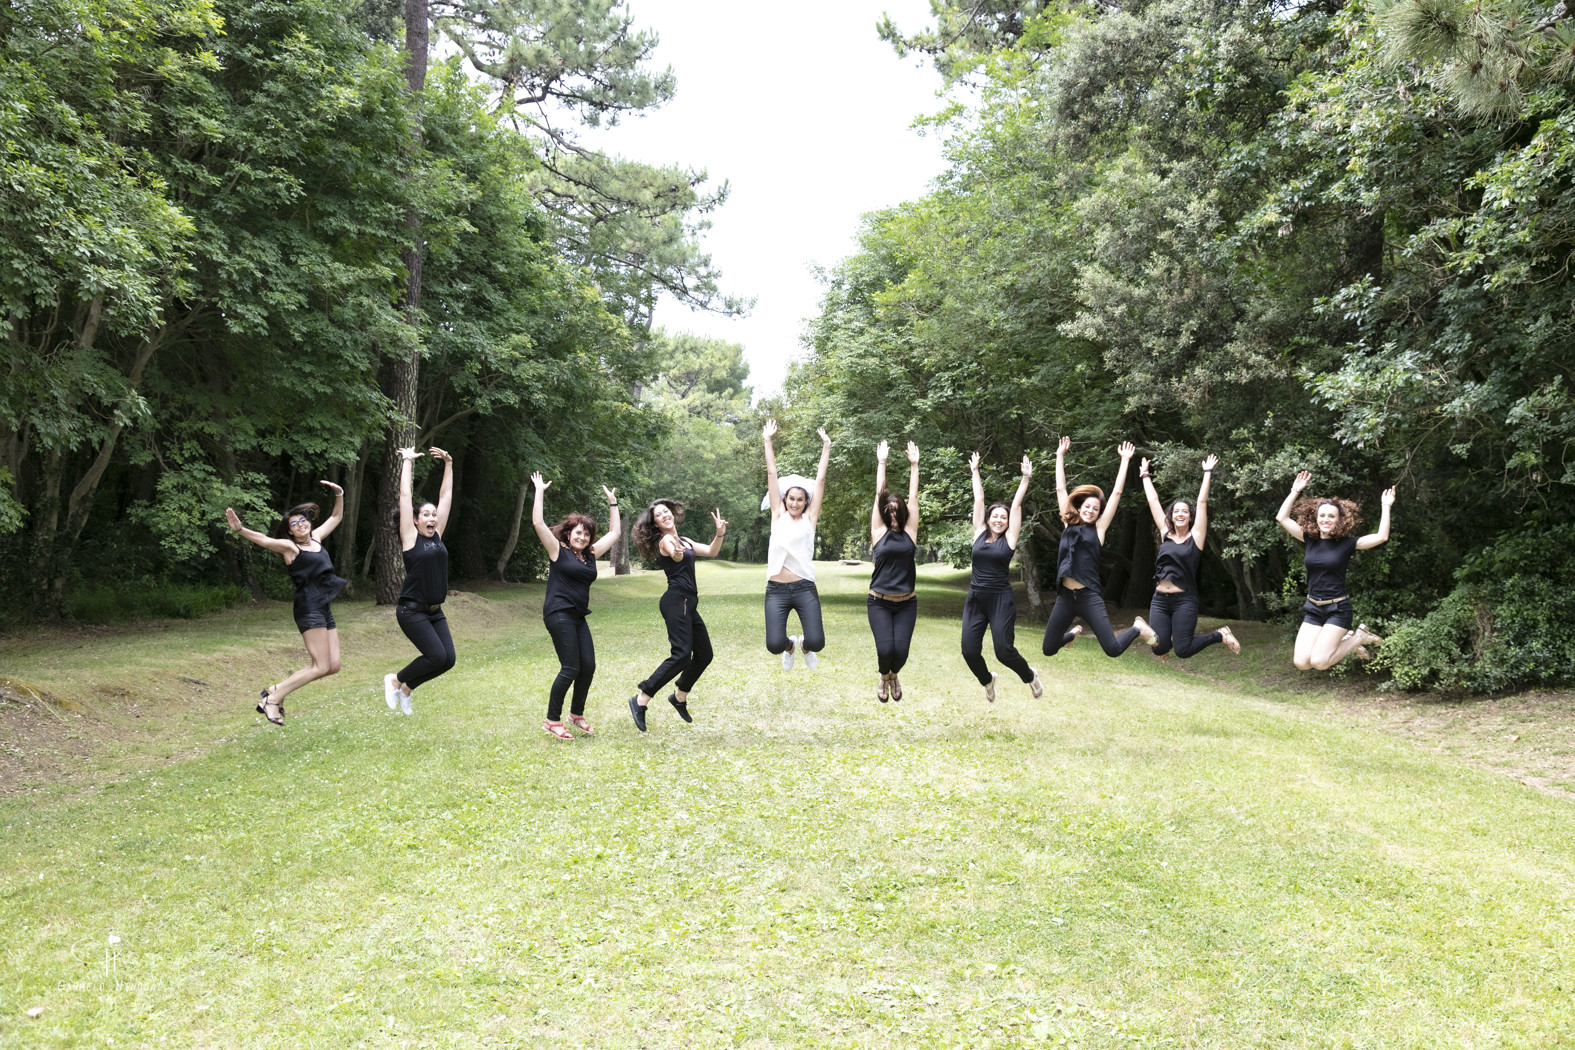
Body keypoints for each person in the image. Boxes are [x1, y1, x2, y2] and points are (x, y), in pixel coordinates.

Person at [223, 481, 346, 725]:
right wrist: (240, 530)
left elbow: (336, 516)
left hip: (323, 606)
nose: (301, 525)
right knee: (320, 666)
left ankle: (274, 691)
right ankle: (272, 699)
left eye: (303, 521)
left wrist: (339, 494)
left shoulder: (317, 538)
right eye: (294, 524)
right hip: (308, 607)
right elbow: (264, 540)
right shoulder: (291, 548)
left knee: (333, 666)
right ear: (289, 531)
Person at [1042, 437, 1154, 661]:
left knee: (1112, 649)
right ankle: (1072, 633)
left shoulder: (1099, 529)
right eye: (1087, 506)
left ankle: (1137, 628)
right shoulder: (1068, 524)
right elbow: (1060, 488)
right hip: (1065, 597)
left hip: (1089, 596)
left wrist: (1124, 461)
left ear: (1099, 512)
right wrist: (1059, 456)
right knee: (1048, 648)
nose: (1091, 510)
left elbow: (1116, 494)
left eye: (1095, 508)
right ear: (1080, 507)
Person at [530, 472, 620, 741]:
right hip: (558, 613)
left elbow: (615, 532)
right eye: (578, 532)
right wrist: (539, 491)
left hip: (579, 617)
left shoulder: (591, 555)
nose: (582, 537)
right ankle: (551, 720)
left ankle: (576, 715)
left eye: (587, 534)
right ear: (569, 533)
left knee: (588, 666)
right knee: (570, 667)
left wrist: (612, 503)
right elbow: (537, 522)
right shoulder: (558, 550)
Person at [1274, 471, 1394, 670]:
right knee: (1301, 663)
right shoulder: (1309, 540)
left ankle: (1358, 638)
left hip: (1337, 609)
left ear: (1339, 520)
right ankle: (1350, 639)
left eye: (1331, 516)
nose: (1326, 519)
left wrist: (1386, 506)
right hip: (1313, 608)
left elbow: (1381, 537)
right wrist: (1295, 490)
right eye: (1322, 516)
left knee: (1320, 662)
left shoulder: (1347, 544)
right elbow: (1282, 517)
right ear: (1316, 518)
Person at [628, 499, 728, 732]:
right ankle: (641, 699)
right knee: (682, 654)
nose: (664, 516)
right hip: (676, 600)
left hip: (688, 603)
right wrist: (677, 554)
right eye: (659, 515)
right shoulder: (667, 541)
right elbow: (675, 555)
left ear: (672, 514)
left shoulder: (685, 540)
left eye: (666, 512)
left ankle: (679, 696)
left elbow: (712, 551)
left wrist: (719, 533)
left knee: (704, 654)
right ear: (656, 524)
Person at [1138, 453, 1241, 659]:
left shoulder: (1196, 538)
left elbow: (1202, 502)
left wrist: (1207, 472)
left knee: (1183, 651)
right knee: (1159, 648)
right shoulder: (1165, 533)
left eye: (1184, 511)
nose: (1180, 514)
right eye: (1176, 511)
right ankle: (1151, 634)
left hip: (1184, 600)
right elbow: (1153, 500)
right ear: (1171, 516)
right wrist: (1145, 476)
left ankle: (1220, 635)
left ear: (1190, 516)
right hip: (1159, 599)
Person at [960, 451, 1043, 702]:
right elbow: (979, 498)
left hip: (1000, 599)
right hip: (976, 599)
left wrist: (1025, 479)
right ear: (988, 519)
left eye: (1003, 517)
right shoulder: (978, 533)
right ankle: (987, 680)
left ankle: (1030, 676)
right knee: (969, 651)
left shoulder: (1009, 539)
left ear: (1008, 523)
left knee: (1004, 651)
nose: (998, 519)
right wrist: (975, 471)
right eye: (995, 516)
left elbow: (1016, 505)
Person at [381, 446, 455, 716]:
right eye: (426, 514)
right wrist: (407, 461)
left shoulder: (437, 536)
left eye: (434, 514)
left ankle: (407, 687)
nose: (432, 518)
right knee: (436, 656)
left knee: (448, 660)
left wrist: (448, 464)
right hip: (411, 611)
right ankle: (395, 680)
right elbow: (405, 495)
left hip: (436, 612)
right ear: (414, 520)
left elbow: (446, 496)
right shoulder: (410, 538)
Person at [762, 419, 831, 670]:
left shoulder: (809, 520)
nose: (794, 503)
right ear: (784, 499)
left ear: (805, 502)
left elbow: (820, 480)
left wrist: (826, 447)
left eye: (800, 499)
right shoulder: (777, 515)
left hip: (804, 587)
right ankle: (790, 646)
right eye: (791, 498)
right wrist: (767, 440)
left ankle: (803, 645)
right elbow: (772, 473)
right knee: (773, 644)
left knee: (817, 641)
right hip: (776, 590)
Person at [868, 440, 921, 702]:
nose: (891, 516)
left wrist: (915, 466)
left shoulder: (910, 533)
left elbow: (913, 497)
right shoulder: (879, 533)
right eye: (887, 512)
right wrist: (882, 463)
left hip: (906, 603)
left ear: (902, 513)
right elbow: (879, 495)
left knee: (900, 653)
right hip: (879, 602)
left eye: (895, 512)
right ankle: (884, 676)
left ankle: (893, 674)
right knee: (885, 649)